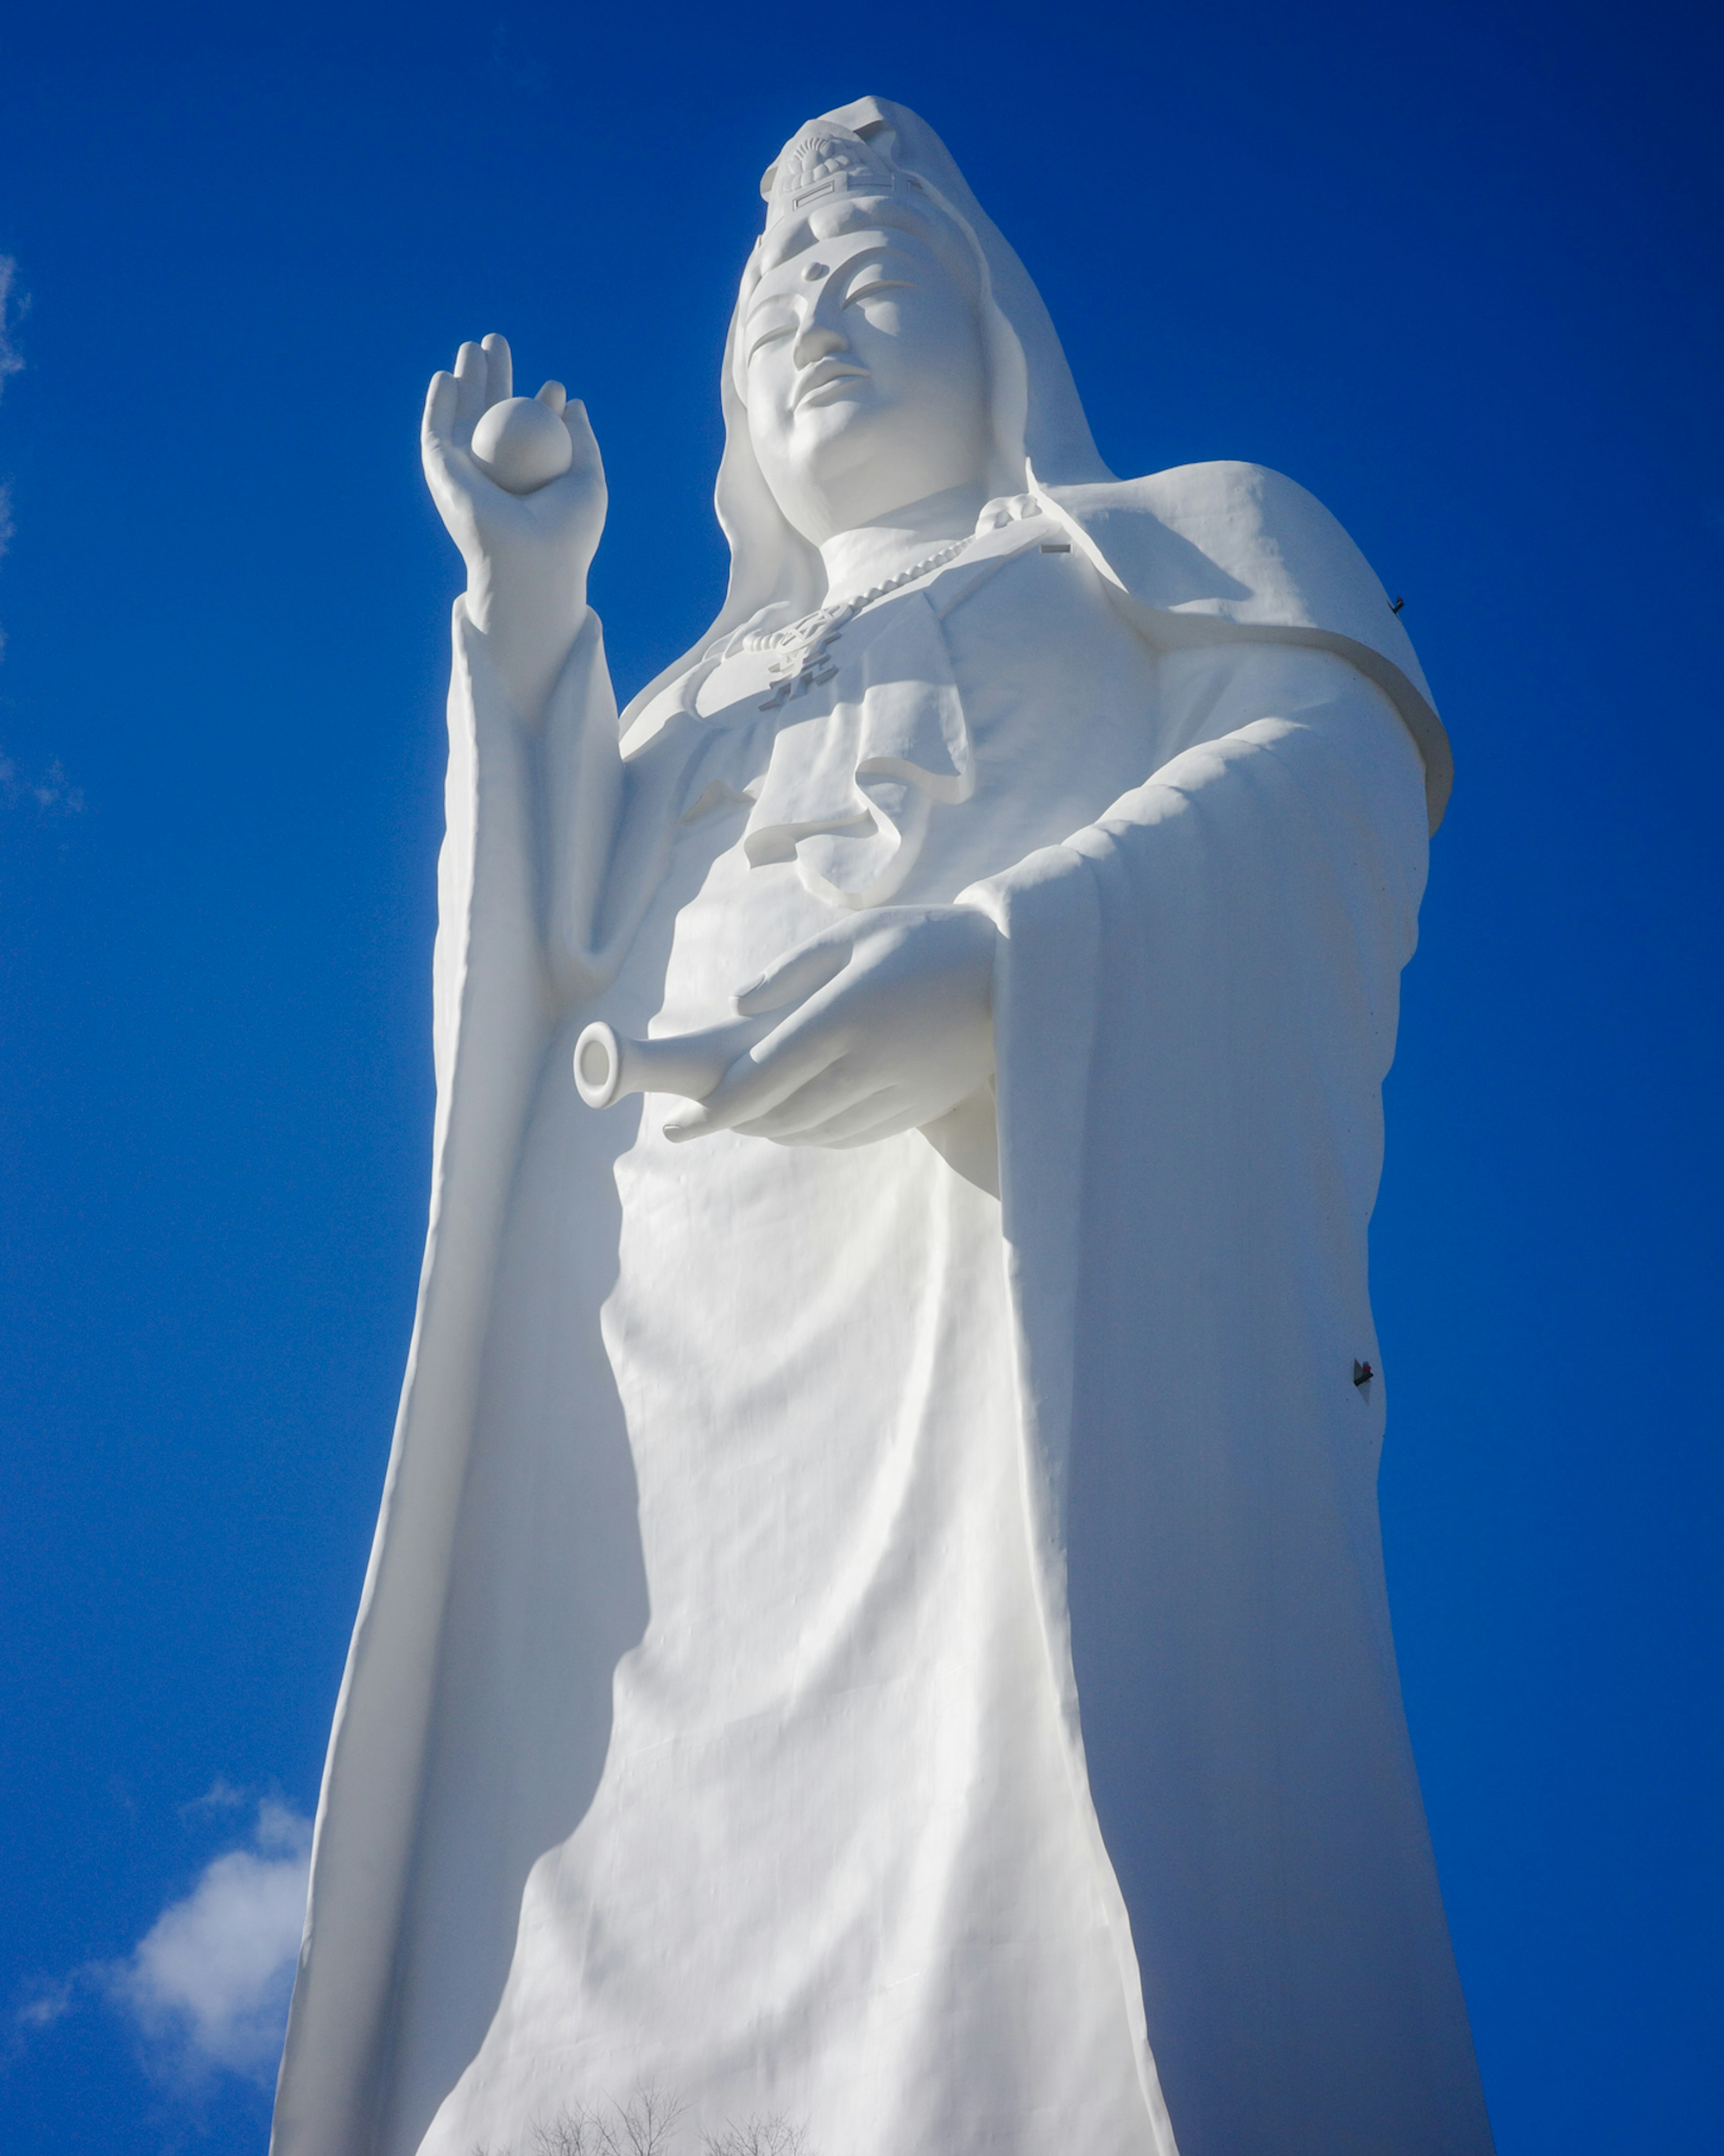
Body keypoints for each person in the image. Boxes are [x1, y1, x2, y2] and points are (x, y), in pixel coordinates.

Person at [273, 97, 1493, 2156]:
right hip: (654, 1384)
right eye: (768, 310)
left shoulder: (1171, 543)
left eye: (862, 279)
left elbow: (1334, 776)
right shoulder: (673, 704)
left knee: (1034, 1826)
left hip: (991, 1288)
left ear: (996, 328)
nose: (810, 326)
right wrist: (529, 619)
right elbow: (517, 990)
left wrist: (1015, 966)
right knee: (574, 1894)